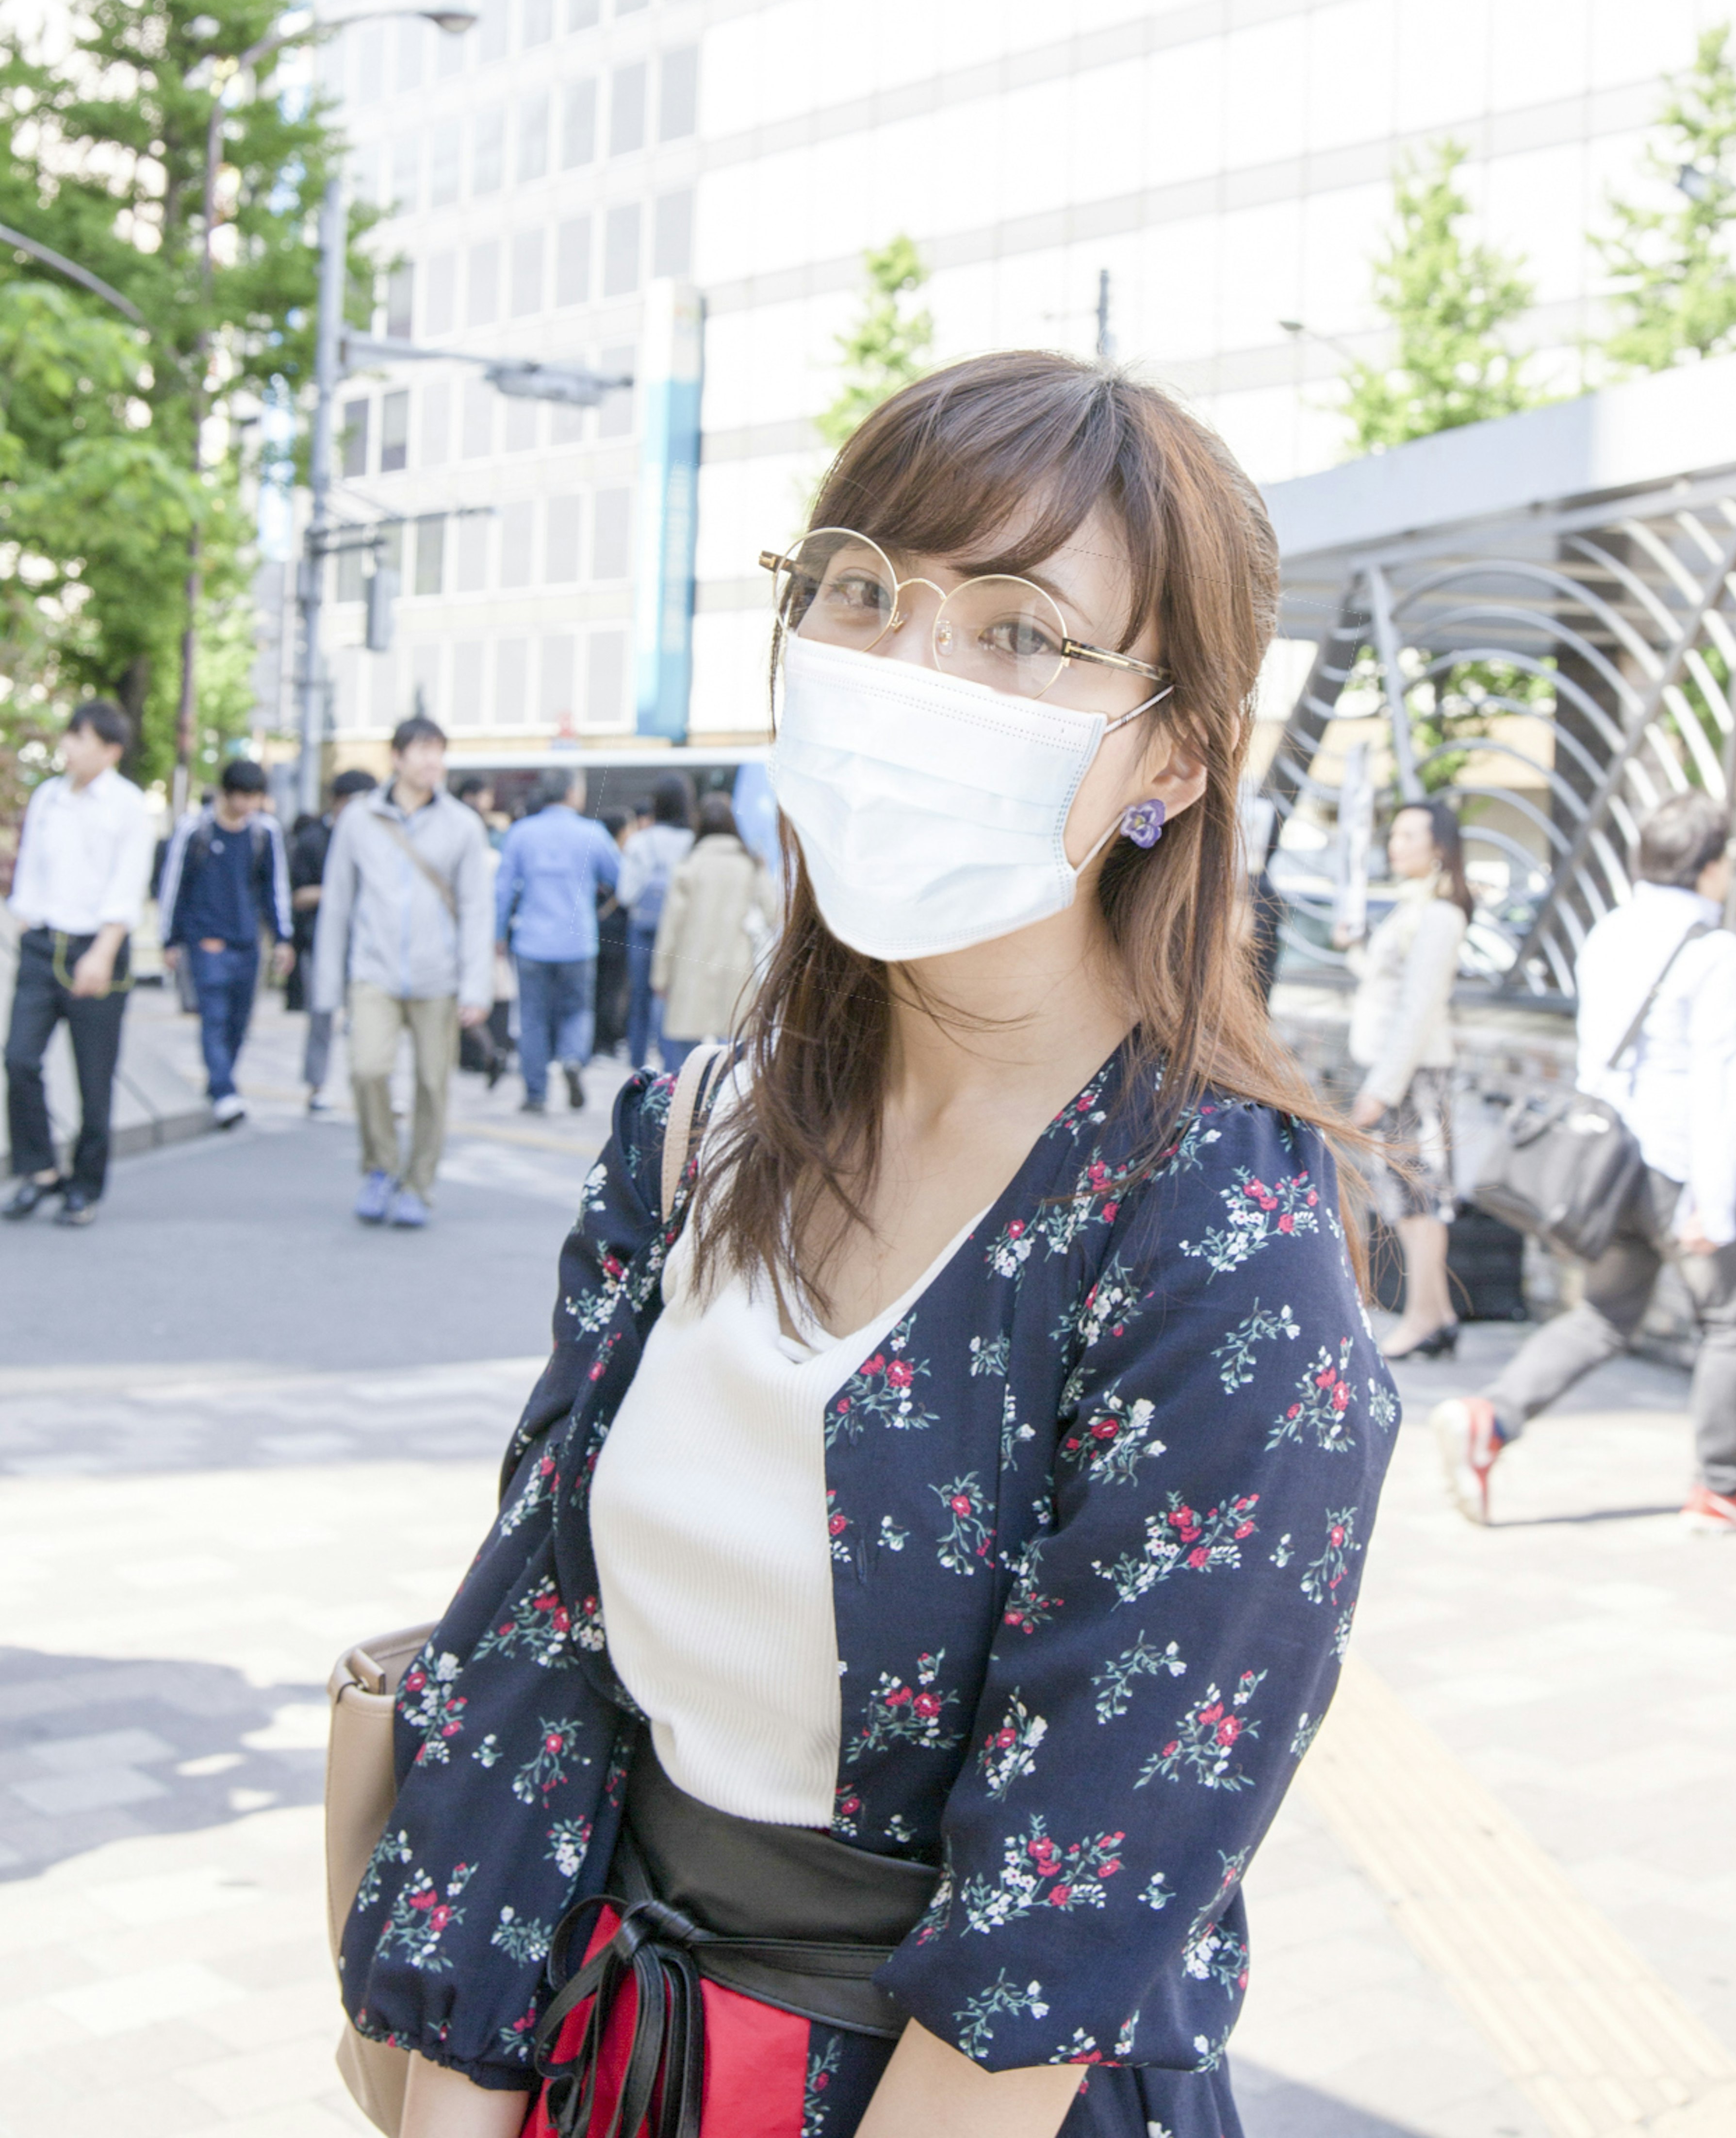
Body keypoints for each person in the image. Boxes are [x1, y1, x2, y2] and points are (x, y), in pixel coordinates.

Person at [337, 351, 1396, 2138]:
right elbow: (538, 1644)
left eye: (1016, 631)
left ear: (1171, 758)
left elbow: (1055, 1940)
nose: (903, 668)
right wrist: (452, 2089)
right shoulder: (694, 1130)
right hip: (613, 2054)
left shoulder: (1218, 1249)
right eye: (861, 590)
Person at [1434, 789, 1736, 1536]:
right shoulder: (1715, 951)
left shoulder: (1611, 932)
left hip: (1613, 1165)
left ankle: (1490, 1416)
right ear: (1710, 865)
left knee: (1604, 1313)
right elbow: (1720, 1081)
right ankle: (1721, 1487)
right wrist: (1714, 1202)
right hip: (1681, 1165)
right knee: (1731, 1321)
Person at [311, 716, 492, 1230]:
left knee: (433, 1084)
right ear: (396, 757)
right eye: (421, 750)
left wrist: (476, 986)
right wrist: (327, 987)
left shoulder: (462, 823)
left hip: (439, 977)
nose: (431, 761)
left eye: (439, 751)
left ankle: (419, 1185)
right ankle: (380, 1167)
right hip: (375, 971)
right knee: (368, 1067)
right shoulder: (359, 820)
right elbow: (338, 905)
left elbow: (479, 912)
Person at [4, 701, 153, 1229]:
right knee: (19, 1059)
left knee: (94, 1079)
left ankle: (85, 1186)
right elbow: (32, 867)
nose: (68, 746)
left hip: (99, 947)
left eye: (80, 738)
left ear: (110, 750)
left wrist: (104, 951)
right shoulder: (48, 797)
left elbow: (127, 882)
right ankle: (40, 1170)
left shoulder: (129, 805)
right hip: (44, 945)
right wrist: (24, 919)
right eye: (68, 736)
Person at [1338, 800, 1473, 1359]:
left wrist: (1382, 1089)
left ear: (1439, 846)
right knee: (1407, 1198)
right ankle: (1436, 1315)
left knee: (1419, 1199)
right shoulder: (1414, 907)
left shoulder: (1439, 915)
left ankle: (1421, 1317)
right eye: (1394, 834)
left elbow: (1417, 1007)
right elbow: (1388, 984)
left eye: (1409, 835)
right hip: (1400, 1071)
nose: (1396, 844)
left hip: (1413, 1075)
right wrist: (1356, 950)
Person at [157, 756, 295, 1130]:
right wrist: (170, 939)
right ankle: (224, 1091)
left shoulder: (264, 833)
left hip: (247, 941)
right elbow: (174, 887)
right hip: (206, 940)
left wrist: (283, 938)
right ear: (226, 792)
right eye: (242, 796)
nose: (248, 805)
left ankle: (221, 1085)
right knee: (213, 1018)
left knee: (238, 1022)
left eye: (255, 797)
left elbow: (274, 888)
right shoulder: (195, 829)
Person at [494, 770, 621, 1113]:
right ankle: (572, 1058)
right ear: (572, 793)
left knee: (533, 1016)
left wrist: (497, 936)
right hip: (578, 941)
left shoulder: (521, 833)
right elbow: (620, 878)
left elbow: (503, 890)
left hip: (531, 940)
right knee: (577, 1009)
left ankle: (535, 1093)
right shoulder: (591, 833)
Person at [651, 790, 781, 1065]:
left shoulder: (688, 866)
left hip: (691, 966)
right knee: (734, 1046)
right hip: (737, 966)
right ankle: (724, 1103)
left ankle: (683, 1101)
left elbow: (671, 927)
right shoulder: (749, 864)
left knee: (683, 1052)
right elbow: (775, 914)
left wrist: (661, 975)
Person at [286, 768, 376, 1114]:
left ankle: (369, 1089)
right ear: (336, 802)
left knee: (369, 1019)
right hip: (317, 941)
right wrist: (337, 892)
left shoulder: (376, 838)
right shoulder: (311, 839)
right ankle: (317, 1085)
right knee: (321, 1014)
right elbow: (297, 895)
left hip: (366, 945)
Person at [616, 778, 693, 1070]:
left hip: (644, 930)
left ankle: (637, 1063)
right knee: (674, 998)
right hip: (683, 933)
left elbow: (626, 893)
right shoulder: (693, 841)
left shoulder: (641, 842)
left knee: (640, 998)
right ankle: (673, 1064)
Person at [592, 815, 634, 1059]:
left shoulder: (593, 859)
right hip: (616, 933)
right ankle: (605, 1042)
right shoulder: (618, 862)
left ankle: (596, 1042)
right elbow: (627, 891)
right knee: (611, 990)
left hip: (593, 932)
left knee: (598, 990)